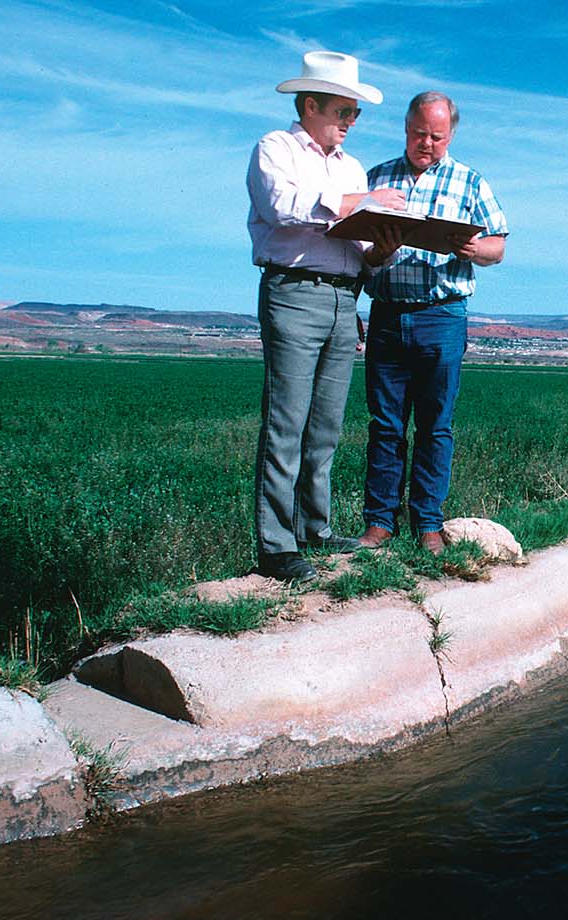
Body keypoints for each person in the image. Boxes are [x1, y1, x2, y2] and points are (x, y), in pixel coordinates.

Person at [246, 51, 406, 583]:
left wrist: (381, 246)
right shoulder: (276, 148)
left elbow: (358, 245)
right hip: (294, 293)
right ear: (310, 104)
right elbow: (282, 205)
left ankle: (315, 529)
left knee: (326, 427)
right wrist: (359, 201)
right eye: (344, 111)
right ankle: (276, 546)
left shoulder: (350, 168)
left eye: (355, 114)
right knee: (286, 422)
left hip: (344, 299)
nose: (350, 122)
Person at [356, 91, 509, 556]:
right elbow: (357, 251)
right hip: (387, 315)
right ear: (406, 128)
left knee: (435, 426)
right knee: (385, 425)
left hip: (442, 317)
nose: (427, 143)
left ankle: (428, 524)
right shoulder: (377, 178)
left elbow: (497, 247)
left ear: (451, 135)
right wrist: (377, 252)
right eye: (420, 133)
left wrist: (471, 249)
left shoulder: (470, 182)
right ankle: (380, 524)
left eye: (437, 136)